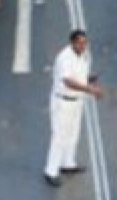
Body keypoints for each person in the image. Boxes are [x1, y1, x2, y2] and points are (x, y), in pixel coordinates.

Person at [43, 30, 102, 187]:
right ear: (72, 43)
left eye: (85, 42)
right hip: (63, 102)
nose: (83, 46)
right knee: (59, 136)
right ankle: (51, 170)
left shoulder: (84, 55)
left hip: (77, 100)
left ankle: (67, 163)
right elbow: (68, 81)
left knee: (73, 133)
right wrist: (90, 89)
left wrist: (90, 79)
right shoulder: (64, 58)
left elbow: (81, 75)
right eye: (80, 43)